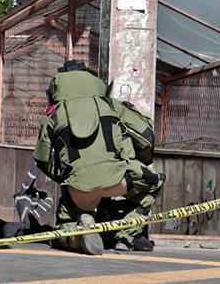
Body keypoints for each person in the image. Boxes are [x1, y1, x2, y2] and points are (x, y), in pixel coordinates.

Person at [33, 60, 165, 255]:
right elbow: (146, 137)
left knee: (65, 222)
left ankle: (76, 234)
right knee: (156, 182)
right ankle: (125, 237)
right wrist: (139, 161)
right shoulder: (111, 104)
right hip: (119, 180)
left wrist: (65, 176)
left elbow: (42, 159)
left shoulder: (53, 114)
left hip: (79, 192)